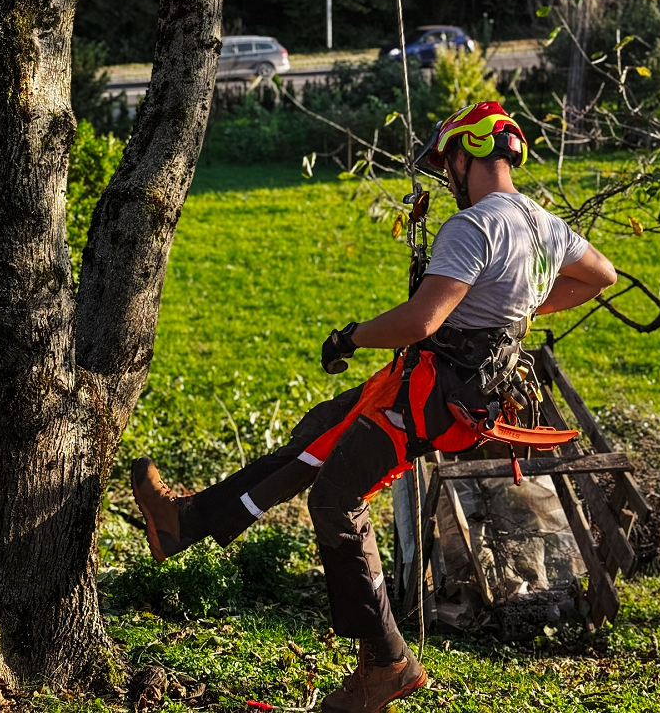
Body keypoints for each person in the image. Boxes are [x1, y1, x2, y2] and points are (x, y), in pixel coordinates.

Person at [131, 101, 616, 713]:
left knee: (334, 498)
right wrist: (516, 309)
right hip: (450, 394)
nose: (448, 179)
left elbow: (421, 319)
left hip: (430, 397)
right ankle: (186, 522)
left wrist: (349, 336)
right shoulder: (544, 226)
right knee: (319, 434)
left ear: (467, 155)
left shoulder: (475, 227)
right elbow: (602, 274)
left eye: (450, 166)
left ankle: (385, 662)